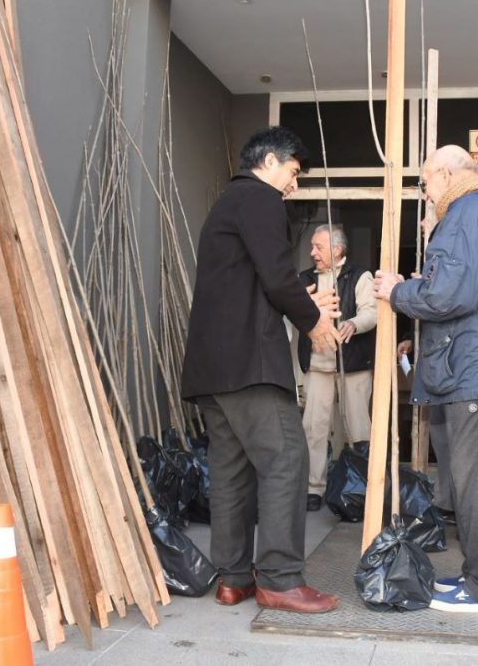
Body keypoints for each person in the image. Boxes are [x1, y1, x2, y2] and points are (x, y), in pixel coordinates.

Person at [181, 126, 342, 614]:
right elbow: (276, 276)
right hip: (248, 366)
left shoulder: (228, 203)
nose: (294, 185)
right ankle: (279, 578)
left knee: (230, 473)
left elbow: (254, 285)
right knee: (287, 459)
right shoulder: (260, 199)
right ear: (270, 161)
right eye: (294, 172)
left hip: (213, 368)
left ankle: (233, 579)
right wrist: (313, 320)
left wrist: (301, 300)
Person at [374, 145, 478, 614]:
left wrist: (399, 291)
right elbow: (463, 287)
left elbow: (452, 295)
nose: (425, 195)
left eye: (425, 184)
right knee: (476, 481)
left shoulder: (466, 214)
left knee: (477, 485)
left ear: (445, 174)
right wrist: (422, 288)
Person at [297, 224, 377, 511]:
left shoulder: (359, 276)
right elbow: (293, 314)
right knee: (314, 428)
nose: (312, 253)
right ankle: (313, 488)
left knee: (357, 427)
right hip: (317, 365)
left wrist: (354, 324)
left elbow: (372, 311)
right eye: (313, 247)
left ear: (337, 249)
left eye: (318, 247)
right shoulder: (304, 279)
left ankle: (362, 487)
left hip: (353, 365)